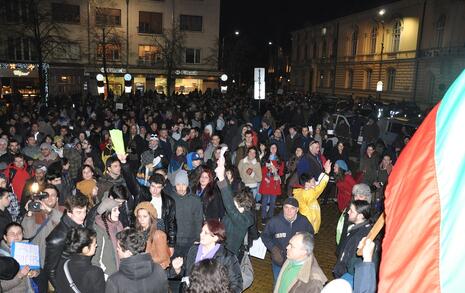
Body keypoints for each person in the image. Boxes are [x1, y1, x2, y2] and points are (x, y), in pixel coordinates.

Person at [172, 220, 243, 293]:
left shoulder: (227, 257)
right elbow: (185, 272)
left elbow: (237, 284)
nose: (201, 235)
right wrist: (177, 269)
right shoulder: (193, 250)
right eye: (201, 231)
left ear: (215, 238)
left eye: (205, 233)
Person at [21, 184, 63, 293]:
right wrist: (29, 213)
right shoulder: (36, 213)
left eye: (53, 195)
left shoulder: (63, 211)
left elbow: (65, 223)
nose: (49, 198)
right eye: (46, 195)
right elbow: (27, 234)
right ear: (41, 198)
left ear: (57, 198)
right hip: (40, 262)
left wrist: (49, 210)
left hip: (58, 262)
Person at [262, 197, 314, 282]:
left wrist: (305, 251)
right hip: (279, 261)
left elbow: (310, 236)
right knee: (278, 282)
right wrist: (273, 249)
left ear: (297, 210)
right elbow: (265, 236)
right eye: (286, 207)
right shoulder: (274, 221)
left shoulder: (304, 221)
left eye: (292, 208)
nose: (289, 211)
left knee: (294, 284)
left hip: (297, 261)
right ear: (283, 208)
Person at [44, 194, 88, 289]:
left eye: (85, 211)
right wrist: (62, 289)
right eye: (79, 212)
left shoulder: (78, 225)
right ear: (69, 212)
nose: (83, 216)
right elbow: (50, 270)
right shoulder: (57, 238)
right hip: (67, 282)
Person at [105, 228, 168, 293]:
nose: (117, 249)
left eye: (118, 247)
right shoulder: (159, 271)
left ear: (128, 252)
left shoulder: (114, 281)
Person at [215, 155, 255, 256]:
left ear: (241, 206)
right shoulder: (240, 214)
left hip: (230, 255)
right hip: (221, 248)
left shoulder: (244, 219)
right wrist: (223, 174)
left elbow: (230, 207)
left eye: (235, 203)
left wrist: (221, 178)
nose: (233, 203)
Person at [55, 227, 105, 293]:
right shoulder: (95, 272)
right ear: (85, 249)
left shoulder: (63, 264)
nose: (96, 245)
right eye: (94, 244)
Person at [333, 200, 372, 284]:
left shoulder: (360, 236)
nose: (348, 212)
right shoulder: (354, 227)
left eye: (352, 211)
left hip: (346, 275)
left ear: (360, 216)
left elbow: (352, 261)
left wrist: (341, 271)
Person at [167, 170, 203, 258]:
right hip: (174, 241)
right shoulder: (169, 198)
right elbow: (167, 220)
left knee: (189, 267)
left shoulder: (195, 200)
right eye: (178, 184)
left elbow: (198, 220)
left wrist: (198, 238)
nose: (181, 188)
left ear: (187, 185)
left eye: (183, 184)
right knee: (174, 267)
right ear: (175, 185)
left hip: (190, 240)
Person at [137, 174, 177, 253]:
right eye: (153, 186)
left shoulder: (169, 201)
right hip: (143, 235)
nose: (155, 190)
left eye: (158, 187)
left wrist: (171, 245)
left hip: (160, 235)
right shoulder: (142, 196)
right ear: (149, 184)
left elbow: (172, 222)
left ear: (163, 187)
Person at [292, 159, 331, 234]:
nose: (315, 183)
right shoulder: (307, 194)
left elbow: (317, 184)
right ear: (307, 184)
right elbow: (319, 188)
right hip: (308, 227)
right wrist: (326, 173)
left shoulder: (301, 192)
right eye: (313, 181)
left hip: (306, 226)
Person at [0, 222, 38, 293]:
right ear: (5, 237)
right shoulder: (2, 257)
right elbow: (2, 287)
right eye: (12, 234)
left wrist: (35, 272)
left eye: (19, 233)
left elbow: (36, 267)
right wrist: (19, 276)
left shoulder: (28, 249)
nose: (16, 236)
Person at [92, 196, 123, 279]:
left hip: (120, 270)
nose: (119, 212)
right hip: (108, 274)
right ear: (106, 213)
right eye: (115, 210)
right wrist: (102, 276)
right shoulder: (99, 230)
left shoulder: (118, 225)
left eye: (118, 209)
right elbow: (95, 259)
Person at [134, 202, 171, 269]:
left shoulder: (158, 234)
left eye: (145, 216)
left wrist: (142, 261)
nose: (141, 219)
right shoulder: (138, 232)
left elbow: (162, 257)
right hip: (145, 268)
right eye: (139, 216)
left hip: (157, 269)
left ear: (151, 217)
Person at [259, 143, 285, 222]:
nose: (273, 149)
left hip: (274, 183)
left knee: (273, 201)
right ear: (269, 149)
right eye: (272, 147)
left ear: (277, 150)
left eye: (275, 148)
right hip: (266, 182)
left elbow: (281, 172)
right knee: (264, 201)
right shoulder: (265, 159)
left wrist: (276, 171)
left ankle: (270, 216)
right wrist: (267, 168)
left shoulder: (280, 160)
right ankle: (263, 216)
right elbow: (262, 171)